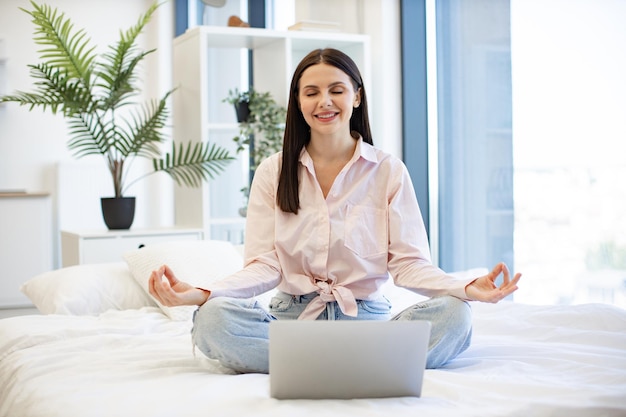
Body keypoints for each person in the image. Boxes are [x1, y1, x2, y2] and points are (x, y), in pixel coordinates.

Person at [148, 48, 521, 374]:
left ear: (356, 97)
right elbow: (265, 265)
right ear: (298, 102)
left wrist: (466, 288)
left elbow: (408, 264)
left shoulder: (388, 171)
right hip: (289, 319)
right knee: (213, 320)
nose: (324, 101)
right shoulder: (273, 172)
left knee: (455, 317)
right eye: (311, 93)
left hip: (366, 320)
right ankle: (361, 365)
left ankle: (311, 364)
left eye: (336, 90)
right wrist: (202, 293)